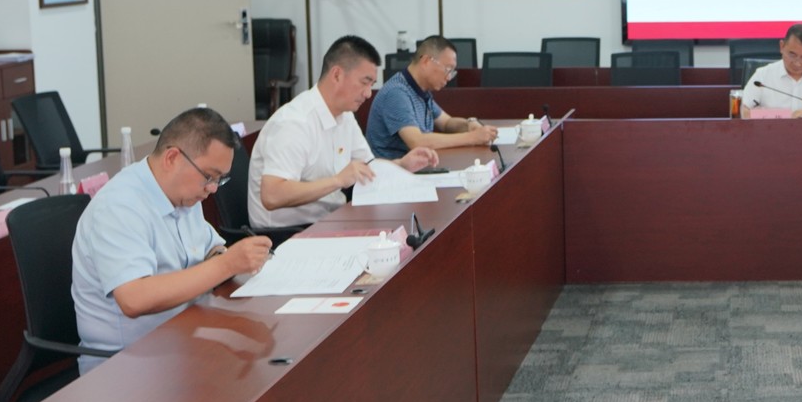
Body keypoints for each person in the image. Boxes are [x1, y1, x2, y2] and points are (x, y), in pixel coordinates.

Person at [71, 106, 272, 371]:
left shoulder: (184, 193)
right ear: (172, 158)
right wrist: (227, 264)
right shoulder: (119, 207)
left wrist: (227, 258)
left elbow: (209, 249)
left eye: (219, 179)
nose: (212, 189)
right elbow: (134, 299)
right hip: (124, 363)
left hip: (183, 335)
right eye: (209, 176)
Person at [250, 34, 440, 228]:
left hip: (329, 220)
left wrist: (401, 164)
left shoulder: (345, 115)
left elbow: (366, 167)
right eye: (364, 82)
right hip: (286, 232)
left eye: (371, 85)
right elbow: (272, 195)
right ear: (337, 75)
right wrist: (337, 181)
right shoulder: (294, 122)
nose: (368, 93)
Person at [365, 34, 495, 159]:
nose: (449, 77)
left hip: (415, 167)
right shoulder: (397, 93)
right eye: (447, 69)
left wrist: (469, 124)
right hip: (392, 170)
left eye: (452, 72)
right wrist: (472, 137)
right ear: (426, 61)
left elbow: (446, 123)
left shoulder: (421, 91)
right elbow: (417, 142)